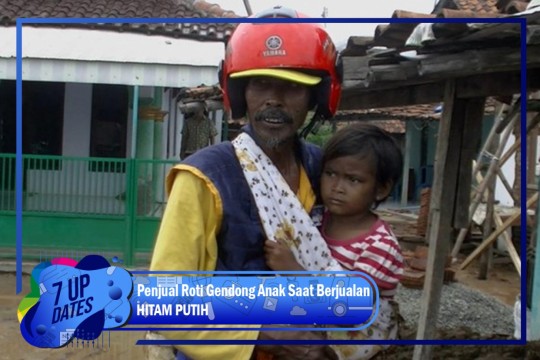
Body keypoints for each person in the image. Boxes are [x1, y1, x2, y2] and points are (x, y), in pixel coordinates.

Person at [147, 5, 342, 360]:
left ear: (317, 96)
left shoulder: (321, 170)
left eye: (294, 86)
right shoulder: (203, 178)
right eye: (260, 83)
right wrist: (264, 335)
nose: (274, 99)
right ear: (239, 93)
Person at [264, 123, 405, 360]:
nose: (337, 187)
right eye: (330, 174)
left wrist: (293, 271)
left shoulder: (380, 246)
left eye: (353, 180)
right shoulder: (314, 220)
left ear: (380, 189)